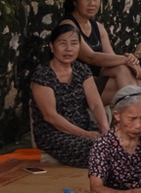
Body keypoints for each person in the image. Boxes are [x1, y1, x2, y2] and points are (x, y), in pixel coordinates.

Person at [30, 20, 109, 168]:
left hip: (84, 126)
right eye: (62, 43)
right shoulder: (43, 75)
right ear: (52, 47)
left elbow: (96, 103)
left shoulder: (82, 70)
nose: (68, 49)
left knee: (122, 142)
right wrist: (85, 134)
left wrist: (105, 129)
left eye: (74, 43)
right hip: (54, 133)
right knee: (97, 150)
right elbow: (50, 116)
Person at [63, 0, 141, 106]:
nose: (92, 3)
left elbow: (111, 60)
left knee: (131, 76)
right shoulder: (68, 26)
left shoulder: (98, 27)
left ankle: (126, 120)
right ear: (74, 1)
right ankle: (130, 119)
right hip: (76, 83)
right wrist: (127, 60)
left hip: (96, 80)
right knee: (129, 86)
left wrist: (130, 61)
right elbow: (91, 57)